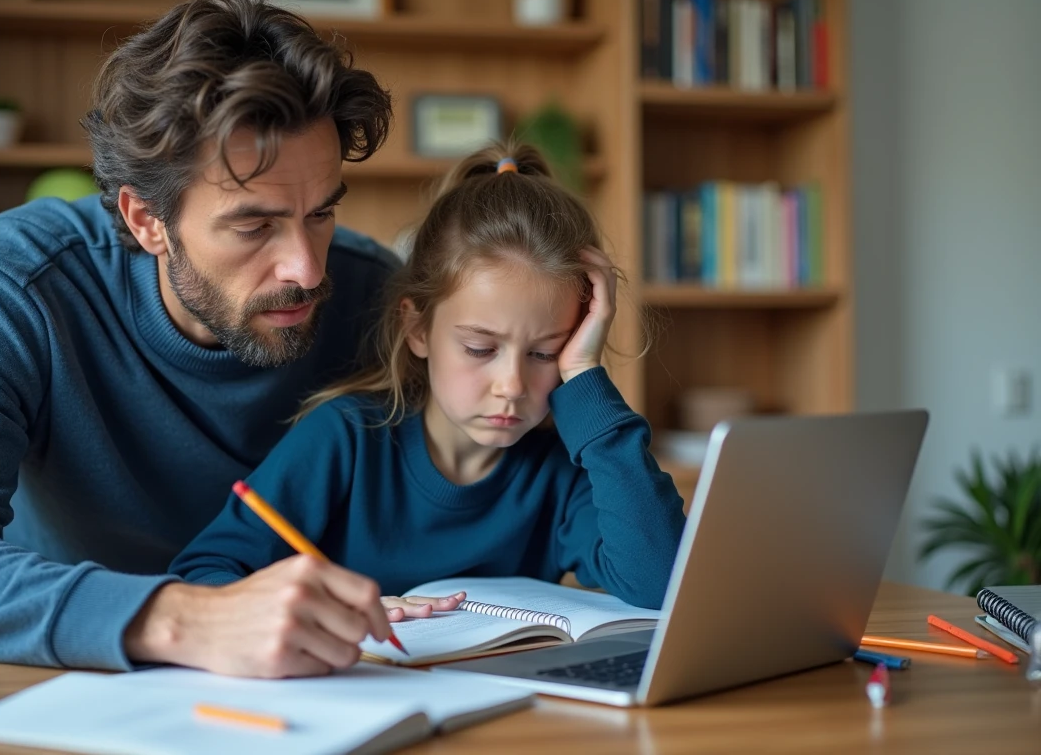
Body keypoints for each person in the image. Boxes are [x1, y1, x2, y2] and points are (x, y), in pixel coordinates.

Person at [0, 0, 407, 677]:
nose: (304, 266)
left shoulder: (375, 294)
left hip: (320, 684)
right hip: (64, 683)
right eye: (254, 224)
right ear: (147, 220)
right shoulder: (12, 289)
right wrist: (187, 619)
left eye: (321, 214)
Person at [170, 142, 687, 631]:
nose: (511, 385)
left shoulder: (561, 472)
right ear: (418, 329)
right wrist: (311, 608)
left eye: (546, 353)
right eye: (480, 349)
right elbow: (205, 572)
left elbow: (662, 581)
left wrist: (586, 377)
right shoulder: (347, 439)